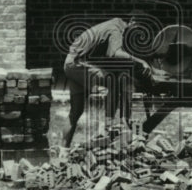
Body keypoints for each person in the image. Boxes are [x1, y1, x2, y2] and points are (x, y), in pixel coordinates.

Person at [62, 8, 153, 147]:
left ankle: (63, 152)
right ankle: (108, 126)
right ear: (133, 21)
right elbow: (115, 53)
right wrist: (141, 62)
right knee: (113, 82)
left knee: (75, 112)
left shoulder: (112, 25)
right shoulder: (116, 29)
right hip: (78, 64)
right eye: (139, 29)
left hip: (72, 63)